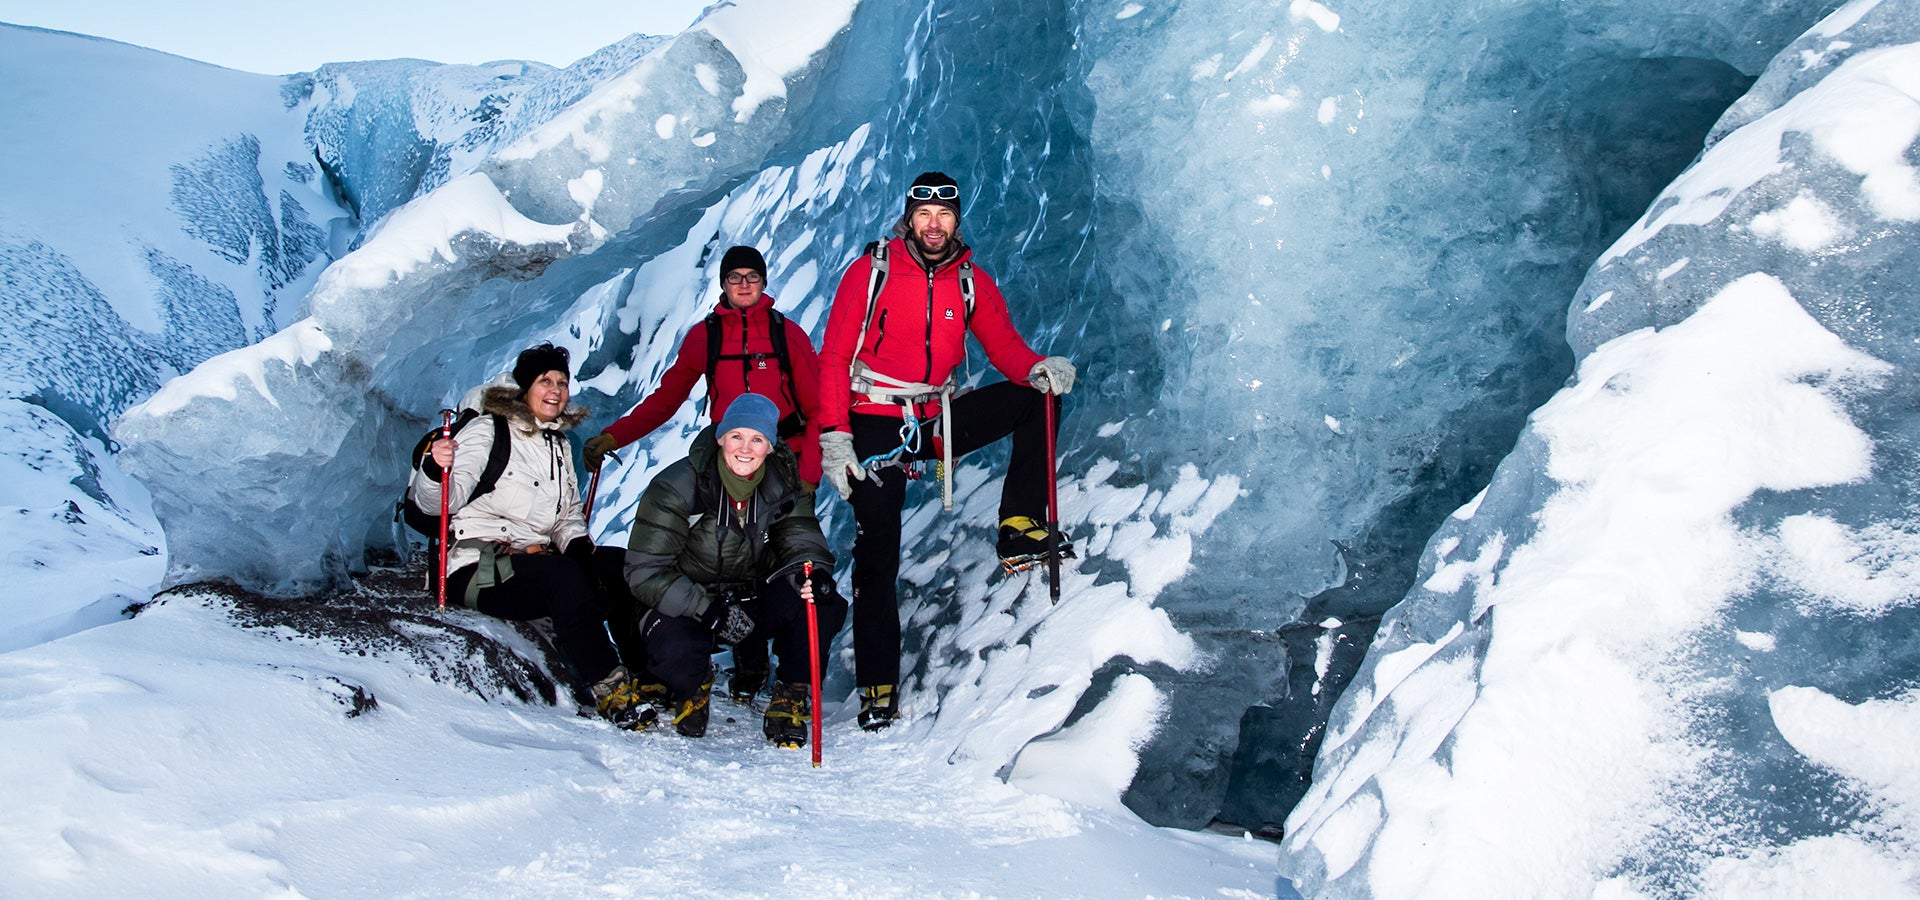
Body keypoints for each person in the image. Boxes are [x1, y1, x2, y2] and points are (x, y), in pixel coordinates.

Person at [815, 171, 1076, 731]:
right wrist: (836, 437)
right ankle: (877, 685)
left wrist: (1036, 368)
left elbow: (1003, 343)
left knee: (1037, 400)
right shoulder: (872, 272)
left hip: (937, 418)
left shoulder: (970, 281)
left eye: (945, 215)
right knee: (878, 552)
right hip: (875, 422)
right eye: (924, 215)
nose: (934, 225)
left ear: (956, 220)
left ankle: (1020, 525)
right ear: (909, 219)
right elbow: (834, 357)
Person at [582, 245, 823, 706]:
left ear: (764, 282)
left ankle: (764, 668)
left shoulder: (786, 335)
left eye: (753, 276)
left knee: (777, 562)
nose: (745, 285)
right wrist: (614, 436)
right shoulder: (706, 338)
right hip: (730, 460)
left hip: (782, 463)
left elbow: (815, 411)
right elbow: (666, 399)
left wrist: (807, 476)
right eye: (735, 277)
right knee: (733, 554)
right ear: (723, 284)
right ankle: (744, 663)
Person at [410, 343, 644, 726]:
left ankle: (644, 674)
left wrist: (582, 549)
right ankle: (609, 686)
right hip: (477, 568)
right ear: (524, 388)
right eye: (545, 381)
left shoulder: (558, 443)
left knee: (617, 566)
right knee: (565, 578)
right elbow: (438, 504)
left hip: (533, 563)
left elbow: (566, 514)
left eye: (562, 382)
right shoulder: (489, 432)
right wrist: (436, 469)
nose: (555, 390)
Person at [621, 393, 845, 743]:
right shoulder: (677, 486)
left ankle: (791, 695)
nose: (746, 448)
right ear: (720, 437)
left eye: (757, 439)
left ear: (770, 447)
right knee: (675, 656)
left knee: (821, 600)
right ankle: (692, 683)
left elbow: (800, 536)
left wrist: (812, 571)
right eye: (737, 436)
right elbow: (645, 571)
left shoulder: (784, 484)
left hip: (747, 599)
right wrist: (707, 610)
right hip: (688, 604)